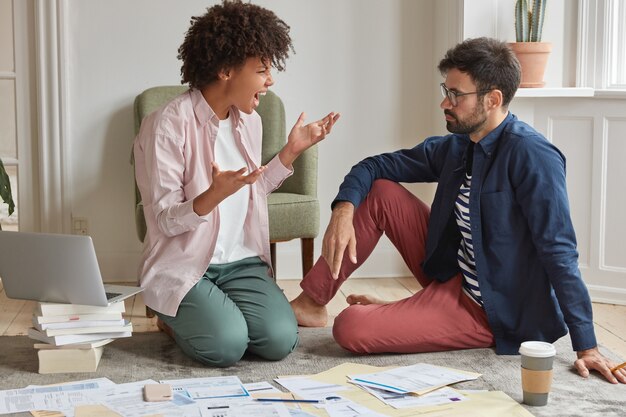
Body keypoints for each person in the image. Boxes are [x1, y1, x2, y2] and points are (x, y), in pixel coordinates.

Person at [290, 37, 625, 384]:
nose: (444, 102)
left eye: (455, 95)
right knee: (380, 191)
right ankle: (313, 302)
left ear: (493, 99)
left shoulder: (533, 156)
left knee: (350, 327)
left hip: (490, 309)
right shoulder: (458, 146)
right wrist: (343, 209)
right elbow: (374, 165)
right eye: (445, 90)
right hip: (453, 272)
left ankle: (409, 312)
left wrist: (586, 346)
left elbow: (559, 252)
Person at [134, 0, 339, 367]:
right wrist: (211, 196)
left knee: (280, 340)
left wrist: (289, 153)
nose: (270, 80)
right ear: (226, 70)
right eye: (262, 70)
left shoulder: (250, 121)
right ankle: (175, 316)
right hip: (187, 264)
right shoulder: (166, 124)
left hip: (241, 263)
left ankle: (213, 316)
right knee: (227, 346)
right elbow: (164, 219)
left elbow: (253, 191)